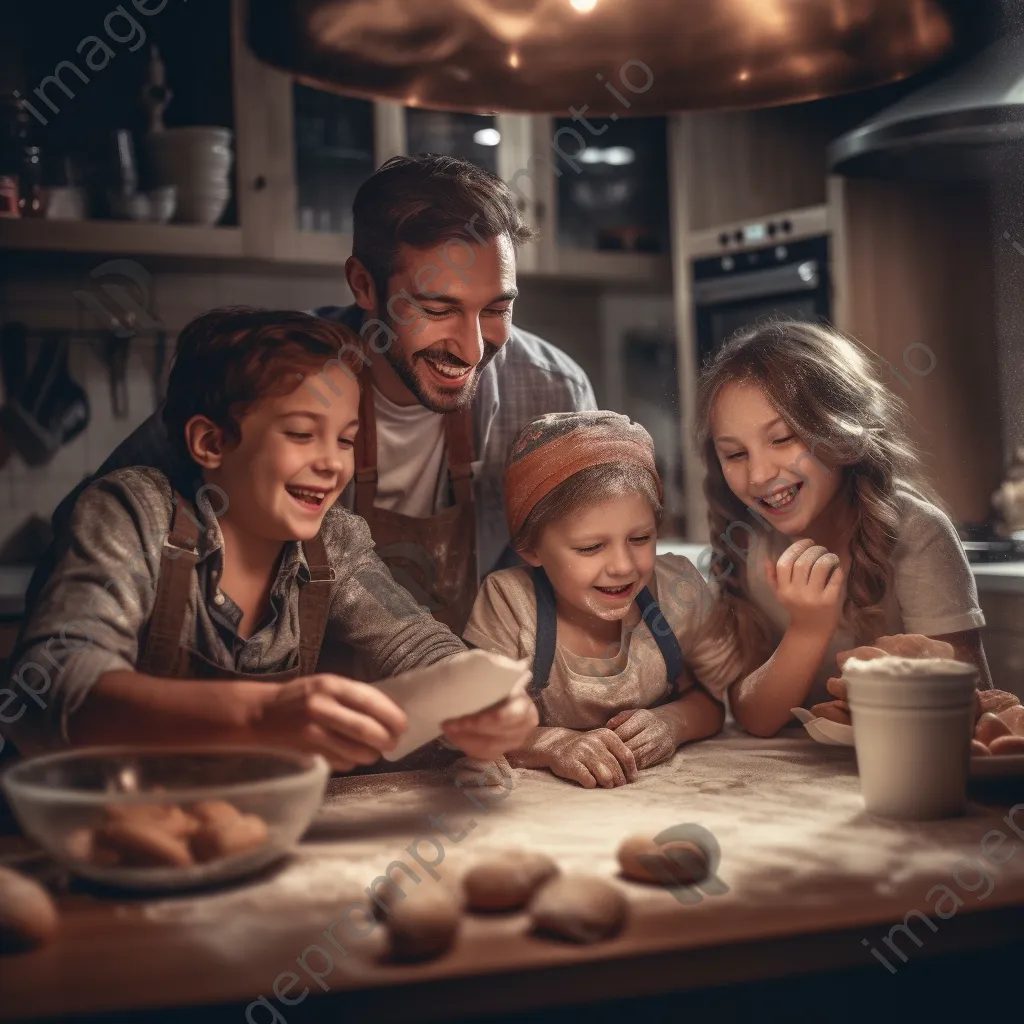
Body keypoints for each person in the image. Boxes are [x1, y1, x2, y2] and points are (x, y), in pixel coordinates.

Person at [26, 154, 596, 636]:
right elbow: (86, 535)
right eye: (438, 308)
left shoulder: (552, 390)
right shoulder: (270, 373)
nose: (472, 348)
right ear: (364, 285)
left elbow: (575, 576)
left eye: (497, 309)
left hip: (451, 703)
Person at [1, 309, 538, 765]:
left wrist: (486, 699)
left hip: (245, 830)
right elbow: (50, 685)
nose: (331, 464)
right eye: (301, 434)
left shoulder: (336, 541)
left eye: (346, 440)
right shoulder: (132, 512)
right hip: (84, 833)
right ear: (211, 442)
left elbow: (415, 642)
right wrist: (259, 715)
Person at [698, 318, 992, 738]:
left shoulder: (918, 534)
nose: (759, 474)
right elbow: (754, 716)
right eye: (735, 454)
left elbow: (978, 707)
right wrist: (808, 628)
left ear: (842, 429)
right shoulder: (750, 546)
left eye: (782, 439)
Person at [463, 412, 741, 789]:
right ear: (531, 548)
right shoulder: (510, 604)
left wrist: (673, 723)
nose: (623, 566)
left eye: (640, 539)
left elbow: (715, 701)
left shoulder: (677, 591)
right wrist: (551, 743)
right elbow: (473, 729)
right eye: (591, 547)